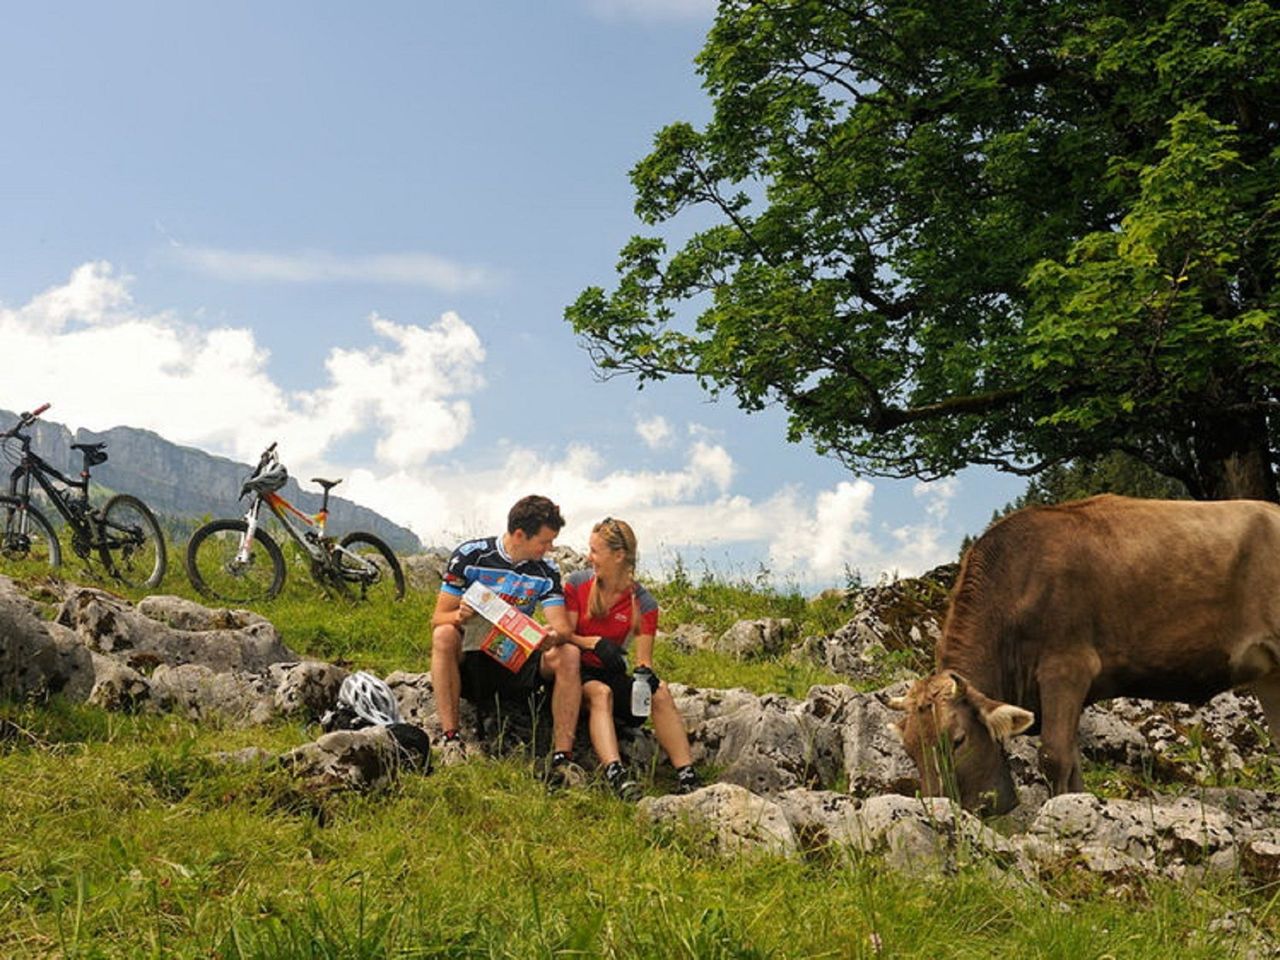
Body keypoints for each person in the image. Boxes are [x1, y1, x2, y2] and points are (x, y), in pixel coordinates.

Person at [431, 495, 583, 786]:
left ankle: (563, 759)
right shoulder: (470, 555)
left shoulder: (546, 570)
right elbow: (439, 617)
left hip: (516, 659)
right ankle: (451, 739)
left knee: (569, 654)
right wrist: (459, 616)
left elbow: (562, 627)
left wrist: (552, 636)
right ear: (519, 535)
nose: (550, 548)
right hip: (472, 659)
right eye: (544, 541)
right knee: (444, 634)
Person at [563, 517, 701, 799]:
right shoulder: (577, 584)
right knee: (601, 693)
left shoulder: (644, 602)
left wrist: (643, 675)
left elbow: (644, 660)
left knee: (659, 690)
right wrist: (594, 644)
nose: (589, 558)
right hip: (575, 673)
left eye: (594, 551)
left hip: (613, 672)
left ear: (618, 555)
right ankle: (616, 775)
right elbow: (563, 636)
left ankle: (687, 775)